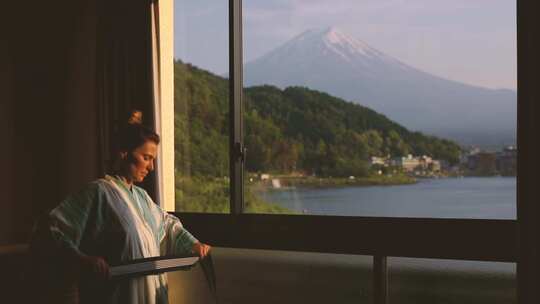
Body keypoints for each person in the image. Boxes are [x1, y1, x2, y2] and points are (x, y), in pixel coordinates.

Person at [44, 110, 211, 304]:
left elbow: (167, 225)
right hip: (116, 295)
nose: (152, 168)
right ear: (124, 153)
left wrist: (194, 245)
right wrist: (84, 260)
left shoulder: (142, 198)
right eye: (146, 158)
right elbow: (52, 230)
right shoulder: (99, 193)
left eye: (153, 160)